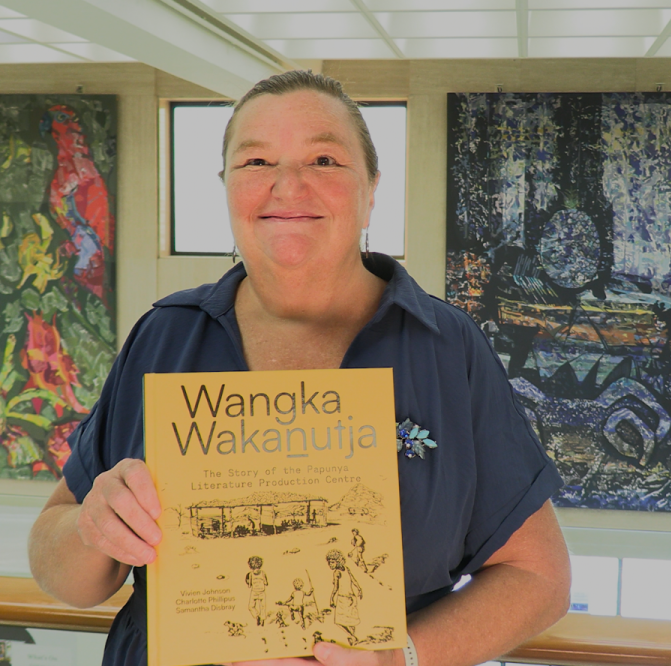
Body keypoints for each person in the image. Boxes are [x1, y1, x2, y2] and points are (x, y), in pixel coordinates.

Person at [28, 70, 571, 666]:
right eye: (256, 161)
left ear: (370, 190)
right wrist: (93, 526)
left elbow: (538, 577)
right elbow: (67, 572)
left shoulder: (448, 348)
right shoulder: (165, 335)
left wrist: (403, 658)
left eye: (324, 160)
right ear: (227, 186)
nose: (287, 186)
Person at [326, 550, 363, 644]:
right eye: (329, 563)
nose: (330, 564)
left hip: (343, 599)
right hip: (352, 597)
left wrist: (331, 599)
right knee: (351, 621)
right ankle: (353, 640)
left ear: (338, 561)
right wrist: (359, 589)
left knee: (339, 621)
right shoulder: (346, 568)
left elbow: (335, 588)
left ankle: (352, 637)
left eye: (332, 562)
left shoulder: (337, 572)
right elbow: (353, 580)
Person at [246, 555, 269, 626]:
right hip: (262, 591)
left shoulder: (250, 574)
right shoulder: (263, 573)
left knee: (251, 606)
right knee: (263, 606)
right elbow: (266, 583)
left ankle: (257, 616)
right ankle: (262, 619)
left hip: (254, 592)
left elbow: (249, 585)